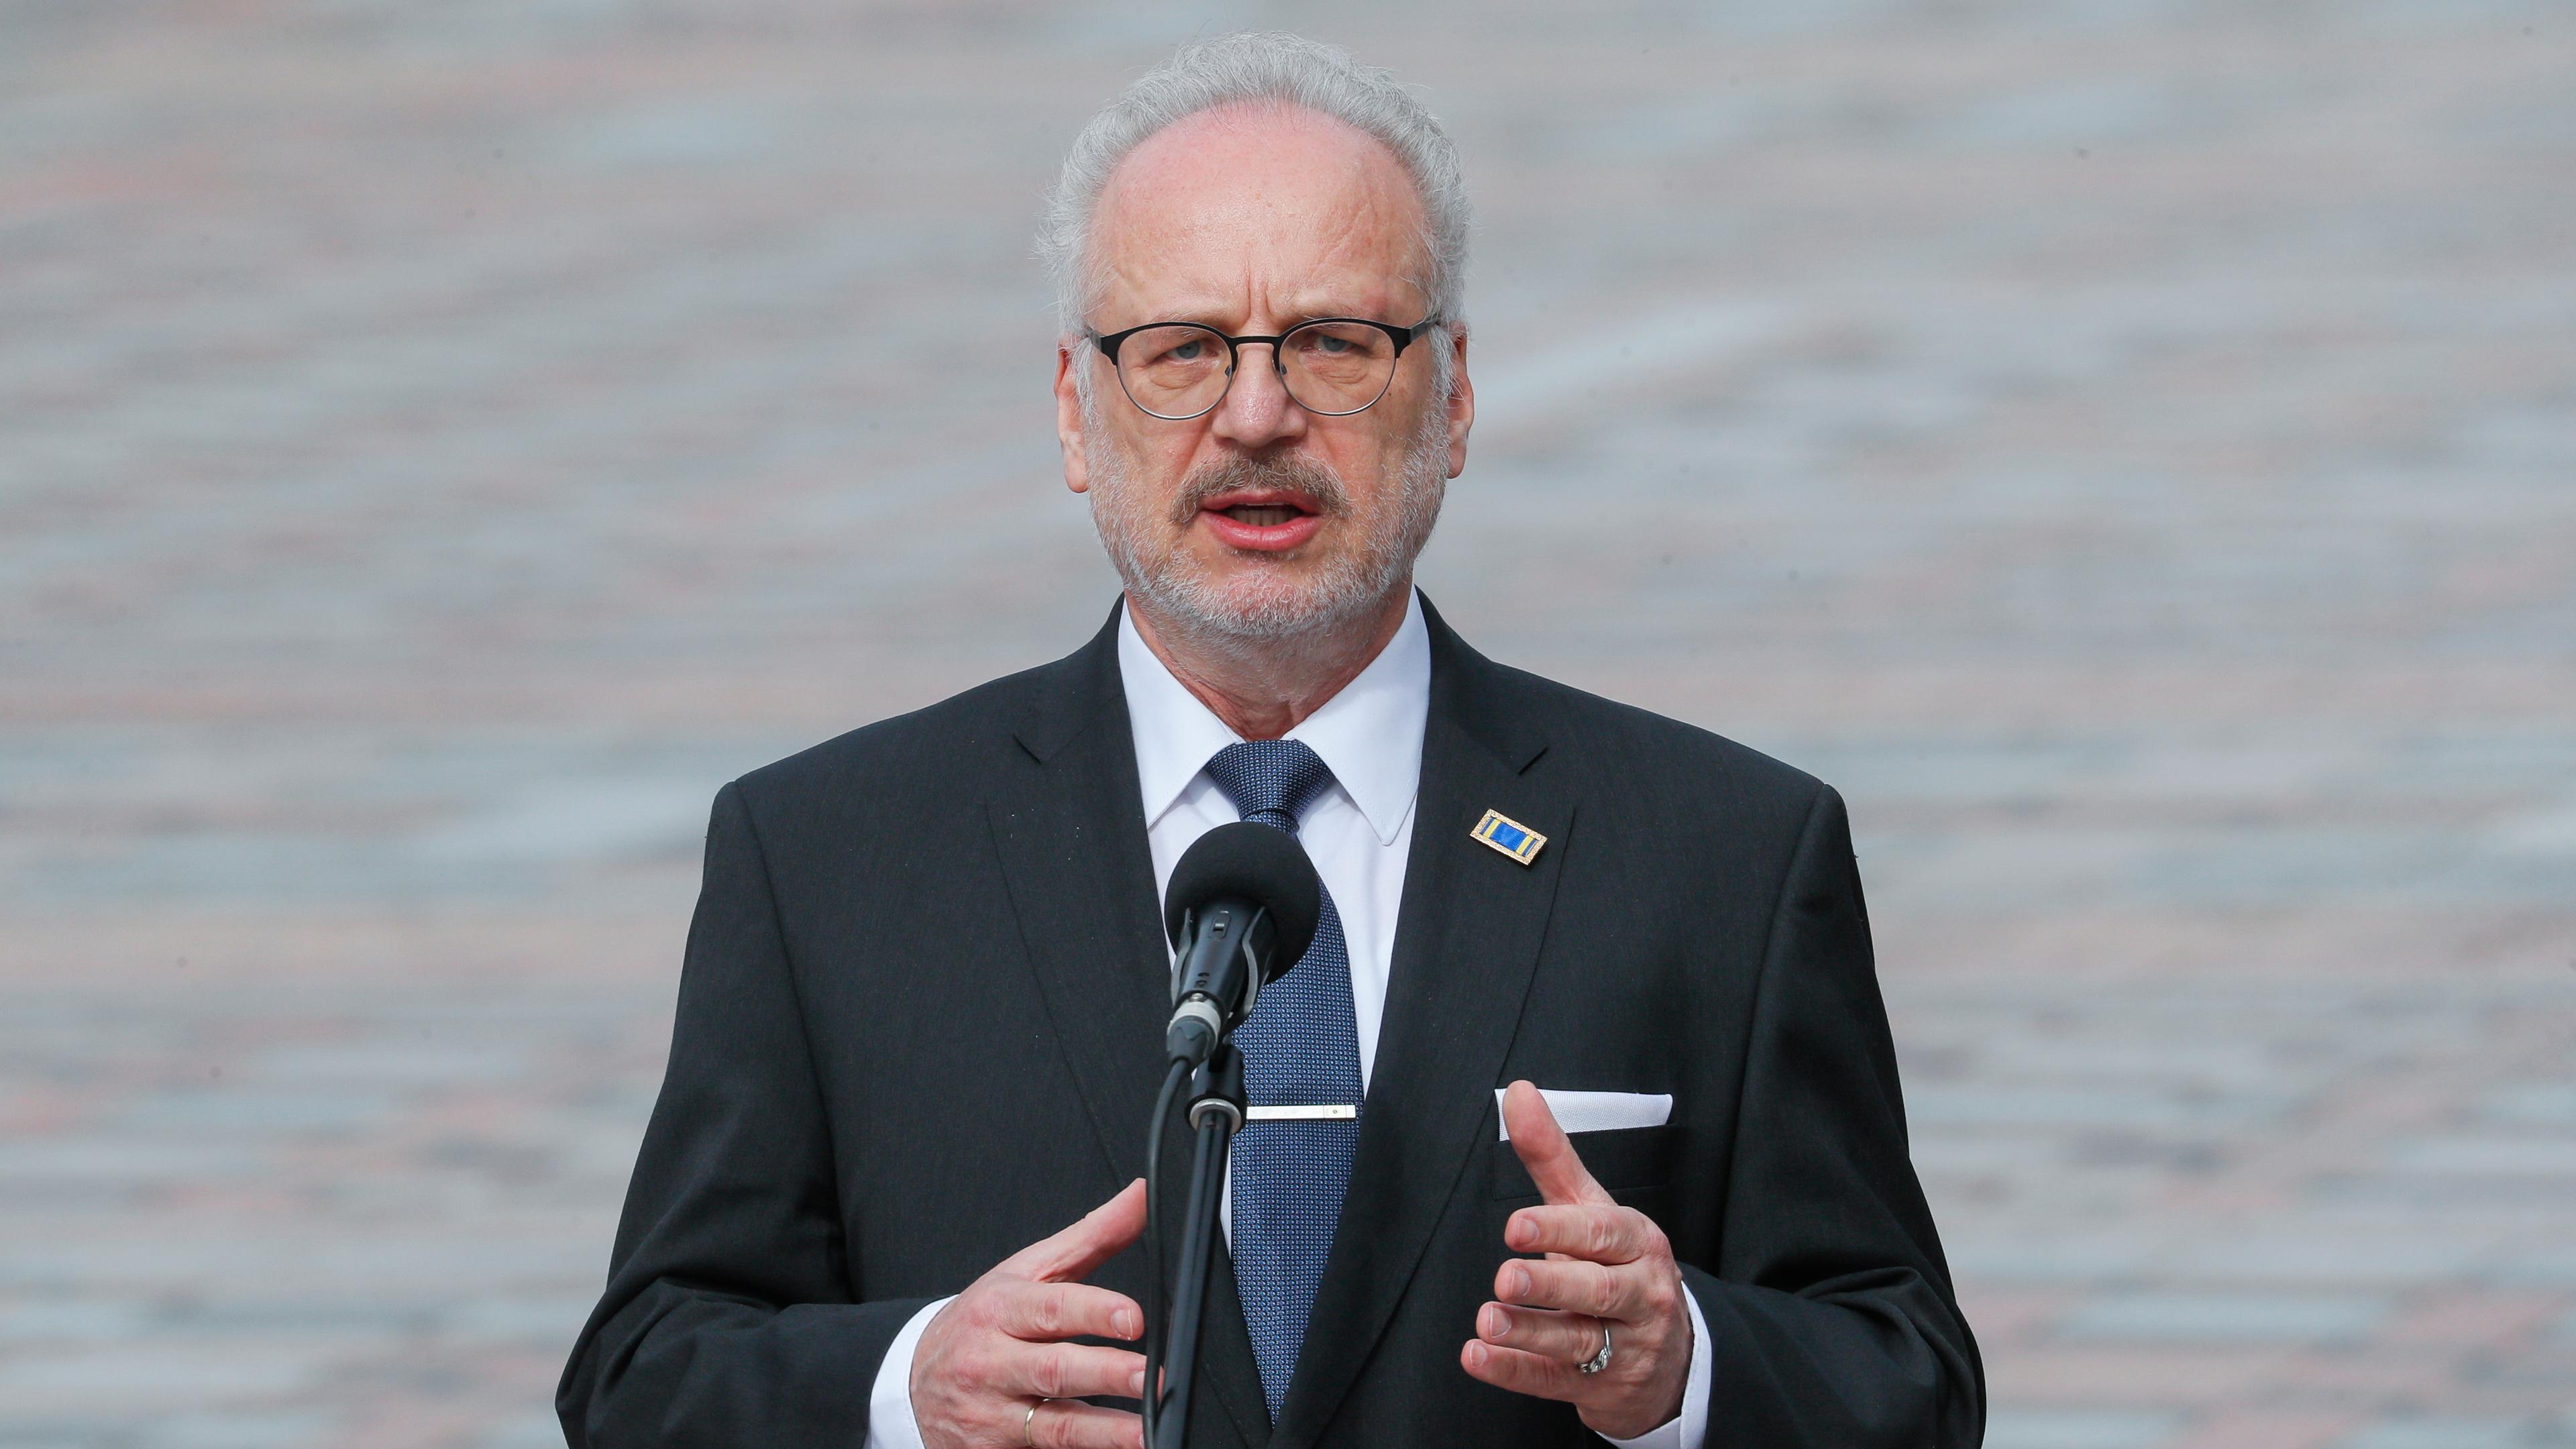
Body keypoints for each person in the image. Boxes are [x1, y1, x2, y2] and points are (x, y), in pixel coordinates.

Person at [558, 32, 1982, 1449]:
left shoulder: (1725, 855)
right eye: (1181, 350)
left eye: (1333, 344)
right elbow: (645, 1377)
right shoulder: (827, 859)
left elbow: (1908, 1379)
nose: (1255, 416)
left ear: (1454, 395)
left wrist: (1682, 1368)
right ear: (1073, 410)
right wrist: (904, 1387)